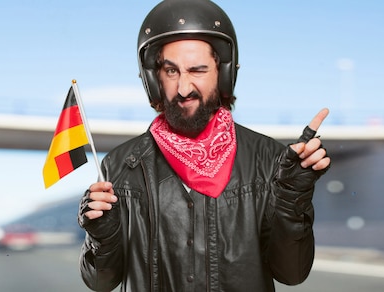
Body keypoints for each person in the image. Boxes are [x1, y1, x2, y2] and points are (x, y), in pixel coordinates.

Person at [78, 0, 330, 291]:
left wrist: (291, 199)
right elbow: (100, 282)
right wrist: (102, 236)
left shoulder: (269, 159)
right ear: (153, 78)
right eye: (171, 71)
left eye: (197, 70)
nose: (184, 89)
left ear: (222, 73)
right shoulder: (120, 165)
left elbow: (292, 273)